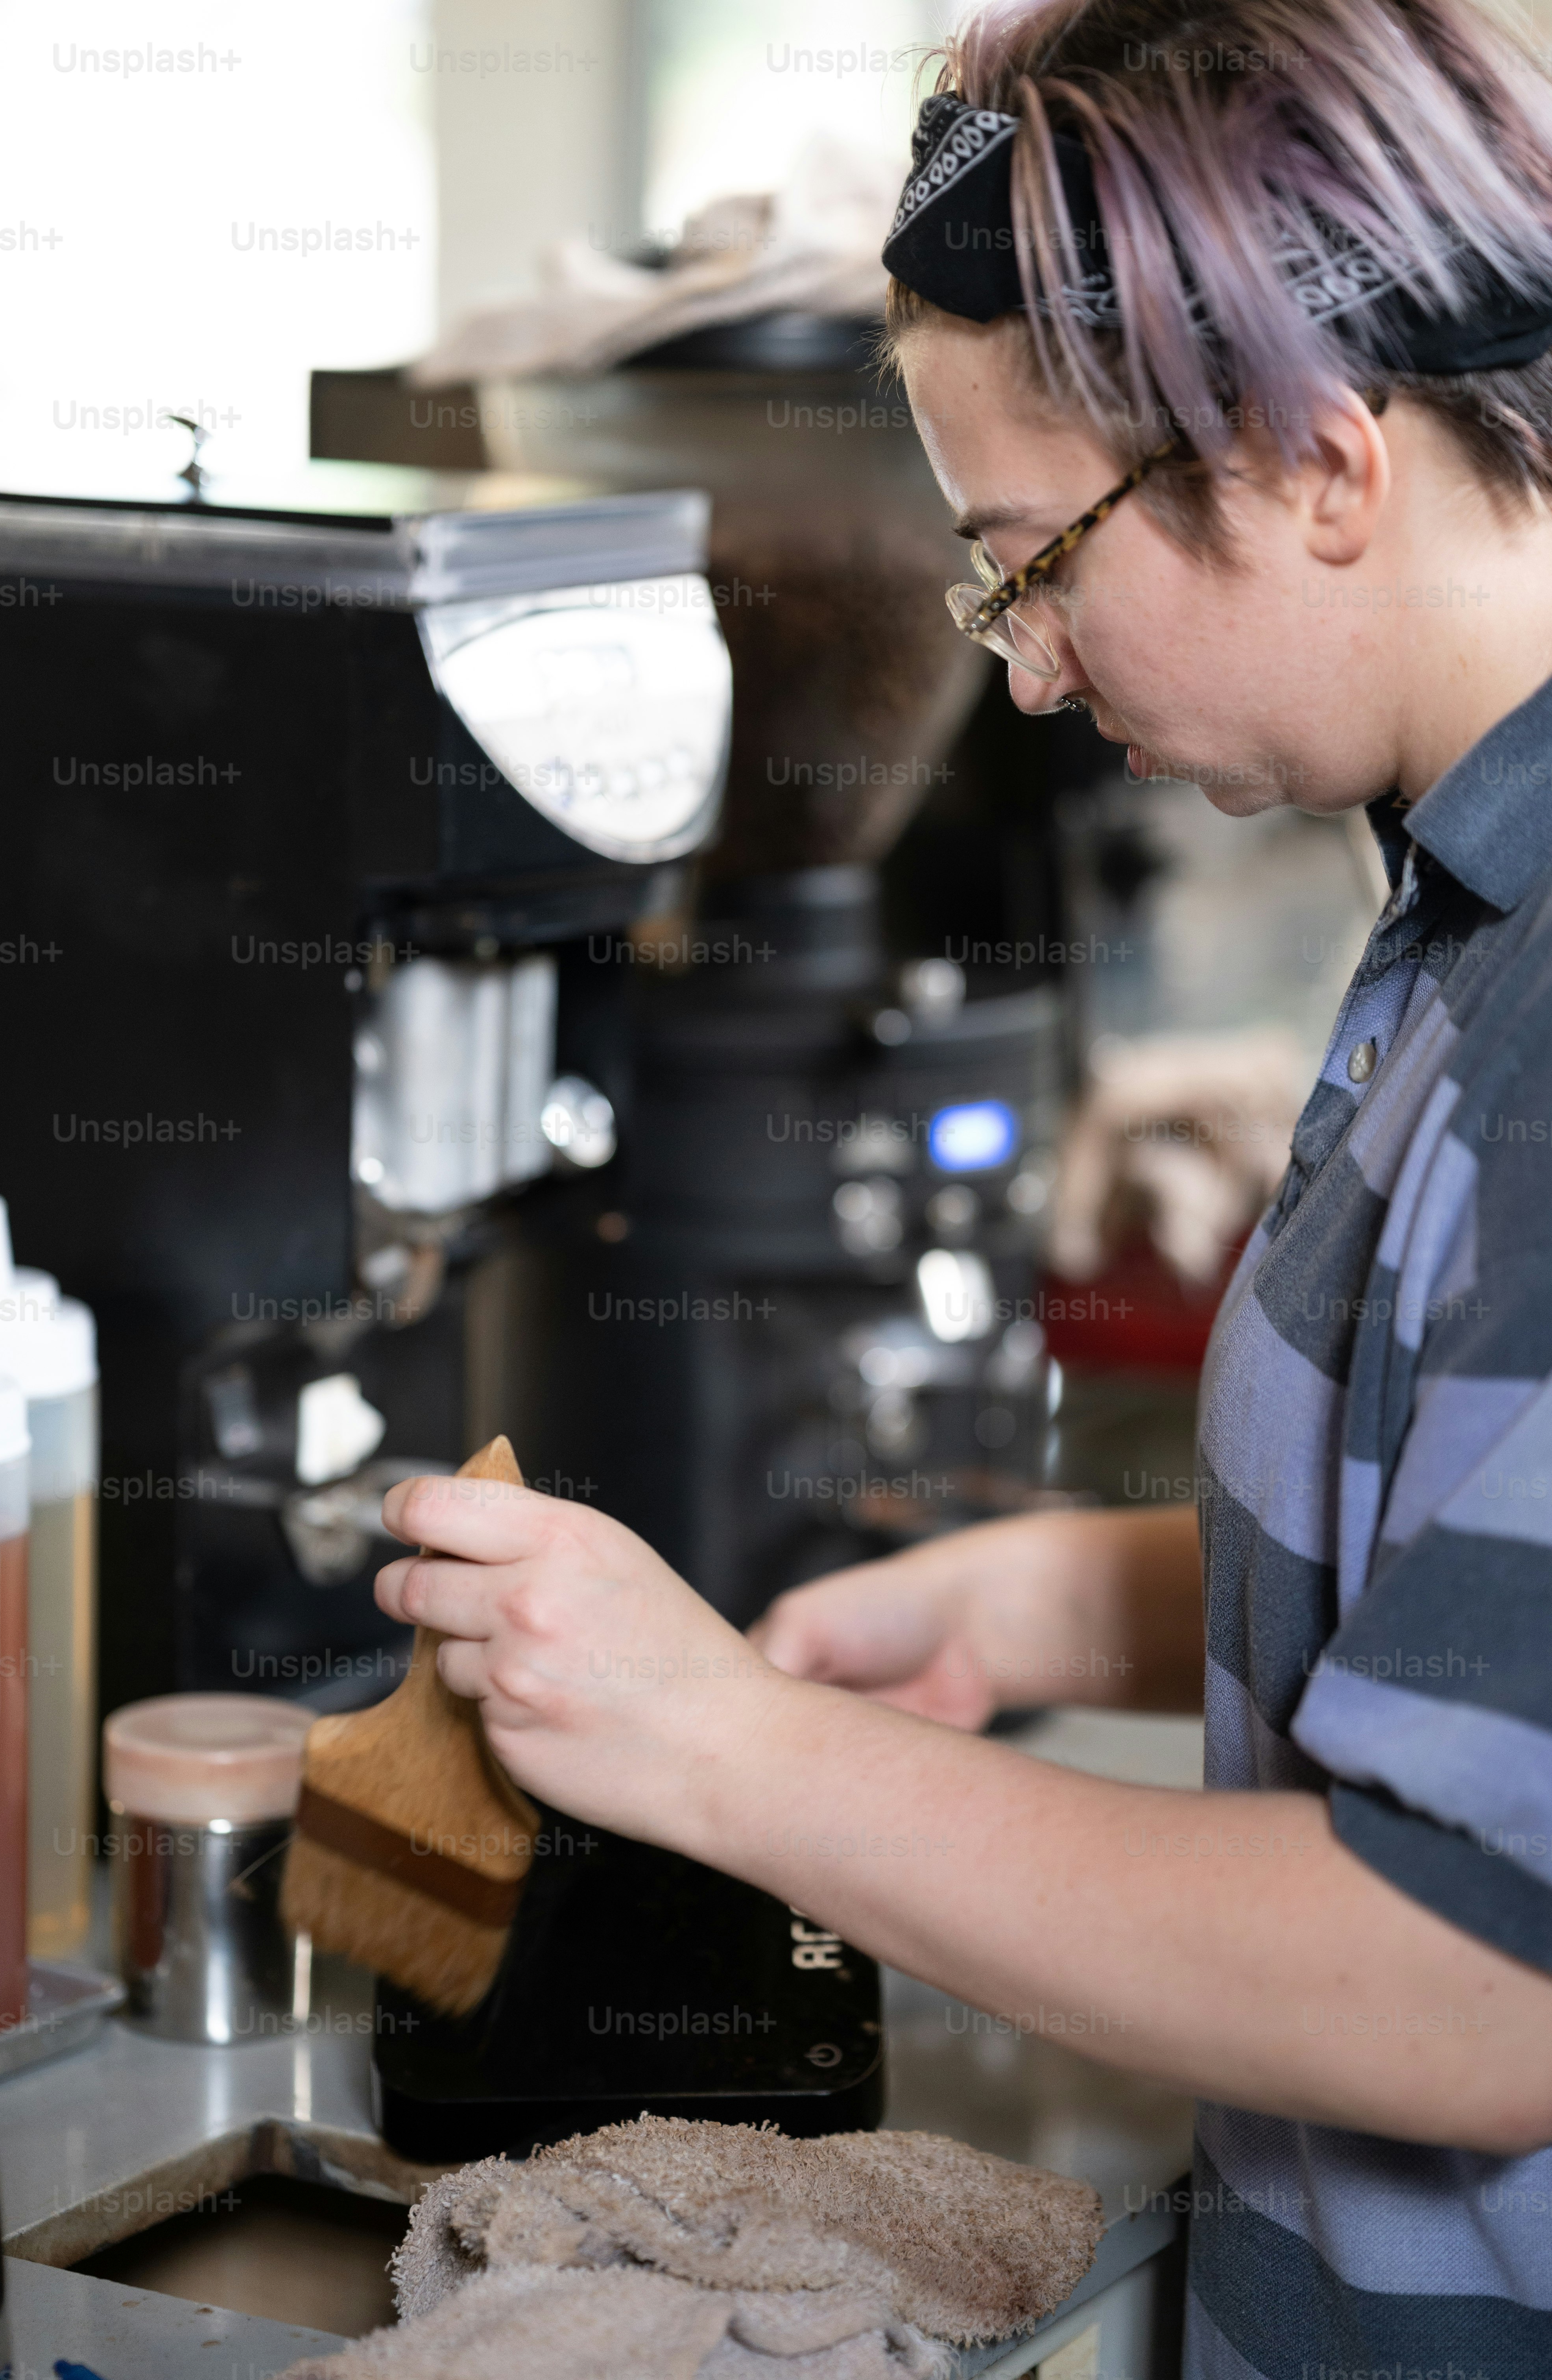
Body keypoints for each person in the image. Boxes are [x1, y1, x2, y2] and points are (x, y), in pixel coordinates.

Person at [375, 0, 1552, 2365]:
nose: (1019, 672)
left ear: (1319, 466)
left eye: (1036, 561)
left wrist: (730, 1754)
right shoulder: (1457, 895)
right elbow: (1471, 1554)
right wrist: (1053, 1603)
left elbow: (1469, 1978)